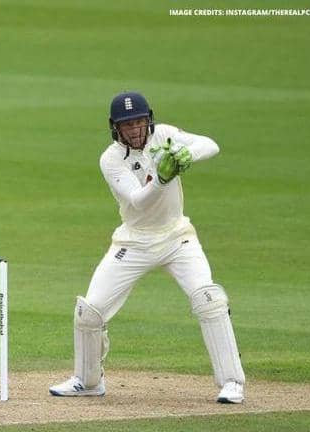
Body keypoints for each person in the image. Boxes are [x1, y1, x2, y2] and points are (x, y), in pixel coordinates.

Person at [49, 91, 245, 404]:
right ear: (116, 128)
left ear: (148, 120)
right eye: (127, 124)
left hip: (178, 237)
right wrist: (162, 178)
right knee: (89, 312)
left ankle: (232, 383)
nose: (135, 129)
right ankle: (88, 381)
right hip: (134, 241)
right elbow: (139, 201)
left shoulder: (164, 135)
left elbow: (210, 144)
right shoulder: (111, 159)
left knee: (209, 299)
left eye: (139, 122)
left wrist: (184, 155)